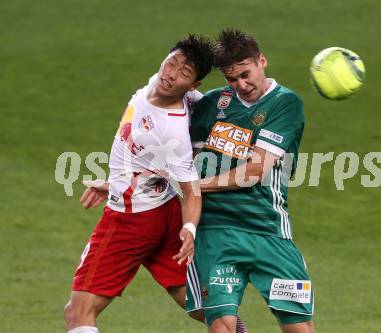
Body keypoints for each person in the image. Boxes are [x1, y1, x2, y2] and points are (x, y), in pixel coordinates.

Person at [63, 34, 213, 333]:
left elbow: (192, 191)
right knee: (201, 306)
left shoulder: (172, 131)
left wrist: (190, 228)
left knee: (79, 312)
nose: (171, 74)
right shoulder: (156, 84)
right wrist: (115, 181)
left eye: (184, 73)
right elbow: (140, 151)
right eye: (172, 63)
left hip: (131, 220)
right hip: (160, 209)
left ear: (193, 86)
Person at [185, 29, 315, 333]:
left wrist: (193, 186)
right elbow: (183, 160)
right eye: (233, 79)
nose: (242, 85)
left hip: (267, 229)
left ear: (262, 61)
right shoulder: (212, 104)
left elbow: (255, 171)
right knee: (221, 324)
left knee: (298, 327)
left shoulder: (285, 104)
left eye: (246, 74)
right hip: (215, 233)